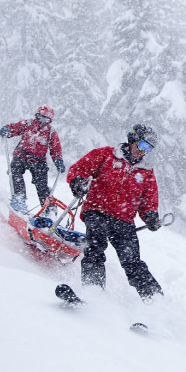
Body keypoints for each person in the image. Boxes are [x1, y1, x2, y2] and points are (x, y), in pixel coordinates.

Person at [66, 124, 163, 302]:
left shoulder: (146, 172)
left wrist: (150, 215)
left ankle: (155, 299)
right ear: (132, 140)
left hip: (123, 219)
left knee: (132, 260)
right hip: (97, 210)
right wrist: (77, 182)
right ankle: (93, 290)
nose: (144, 152)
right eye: (142, 145)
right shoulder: (106, 155)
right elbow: (78, 169)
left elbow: (148, 200)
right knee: (95, 246)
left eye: (149, 148)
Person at [0, 105, 65, 214]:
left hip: (39, 161)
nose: (42, 121)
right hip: (22, 155)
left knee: (42, 185)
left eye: (46, 119)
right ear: (37, 116)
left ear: (49, 121)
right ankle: (19, 198)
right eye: (41, 118)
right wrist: (8, 129)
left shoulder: (50, 132)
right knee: (15, 171)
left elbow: (55, 148)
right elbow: (16, 128)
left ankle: (48, 209)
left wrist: (58, 160)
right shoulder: (28, 124)